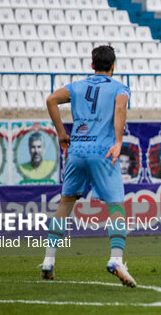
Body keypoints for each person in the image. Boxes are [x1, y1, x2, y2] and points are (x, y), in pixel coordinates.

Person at [41, 45, 136, 287]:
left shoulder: (77, 86)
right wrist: (118, 141)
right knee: (116, 206)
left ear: (92, 65)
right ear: (113, 66)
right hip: (102, 152)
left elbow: (51, 100)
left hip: (77, 151)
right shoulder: (119, 88)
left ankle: (48, 261)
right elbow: (120, 107)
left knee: (65, 205)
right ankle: (116, 259)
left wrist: (61, 132)